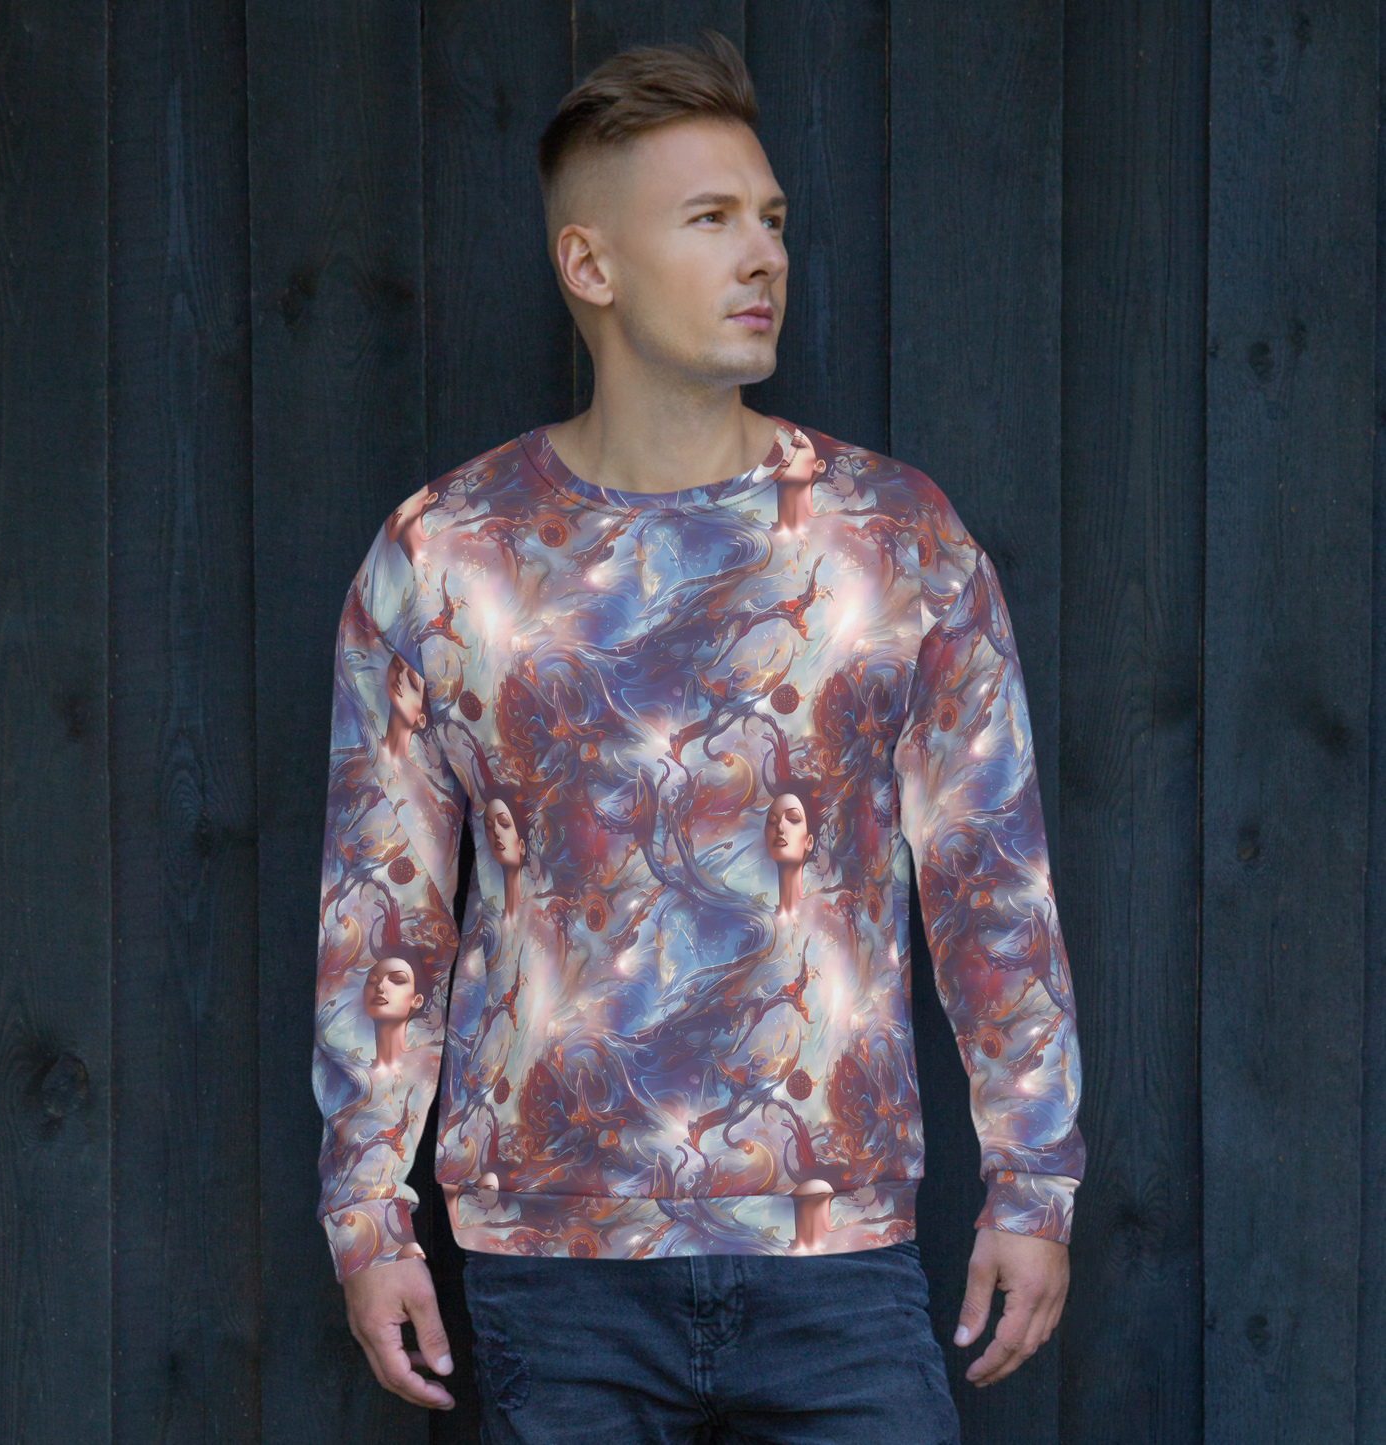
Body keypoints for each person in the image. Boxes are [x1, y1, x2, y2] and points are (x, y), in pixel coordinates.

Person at [312, 33, 1084, 1442]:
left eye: (772, 219)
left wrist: (1034, 1185)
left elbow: (992, 881)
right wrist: (368, 1215)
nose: (763, 255)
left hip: (838, 1257)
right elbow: (385, 912)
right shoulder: (446, 560)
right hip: (553, 1266)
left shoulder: (892, 542)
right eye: (712, 218)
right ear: (590, 264)